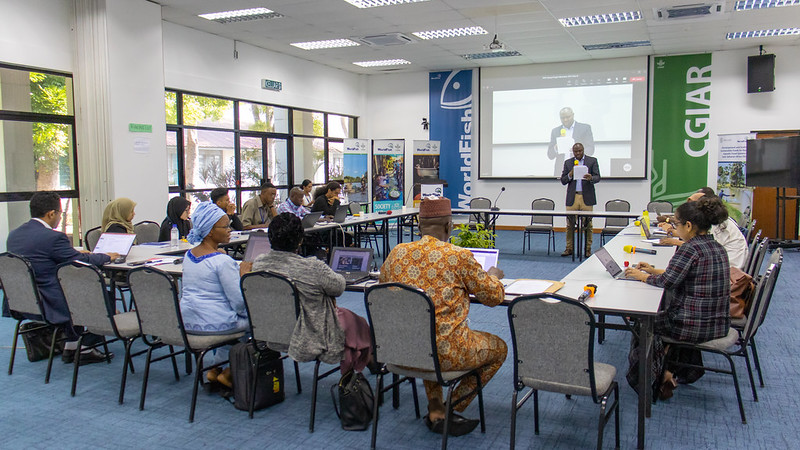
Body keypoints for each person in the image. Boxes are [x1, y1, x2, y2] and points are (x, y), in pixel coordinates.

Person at [379, 197, 507, 436]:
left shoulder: (396, 253)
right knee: (499, 349)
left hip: (400, 349)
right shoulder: (458, 256)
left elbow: (382, 290)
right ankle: (451, 408)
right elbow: (493, 297)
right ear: (449, 226)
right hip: (445, 353)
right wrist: (494, 276)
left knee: (426, 331)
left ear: (418, 226)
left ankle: (436, 408)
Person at [624, 196, 731, 400]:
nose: (674, 227)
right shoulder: (716, 247)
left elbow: (667, 282)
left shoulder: (690, 248)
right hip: (718, 323)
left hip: (693, 325)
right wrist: (653, 270)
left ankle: (655, 377)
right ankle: (682, 369)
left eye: (676, 224)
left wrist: (643, 276)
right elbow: (680, 275)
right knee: (662, 313)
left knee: (643, 322)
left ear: (689, 226)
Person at [5, 191, 118, 364]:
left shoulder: (14, 235)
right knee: (104, 296)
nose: (60, 217)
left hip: (24, 300)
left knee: (78, 289)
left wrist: (73, 253)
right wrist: (106, 256)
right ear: (51, 213)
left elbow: (44, 256)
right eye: (60, 213)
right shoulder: (53, 237)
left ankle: (71, 347)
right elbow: (81, 261)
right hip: (51, 301)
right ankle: (85, 347)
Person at [251, 213, 372, 374]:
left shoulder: (259, 263)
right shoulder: (312, 267)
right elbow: (339, 287)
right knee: (356, 321)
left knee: (345, 318)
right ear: (301, 240)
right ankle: (365, 361)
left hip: (273, 333)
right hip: (310, 336)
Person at [181, 201, 251, 388]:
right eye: (225, 226)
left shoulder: (188, 256)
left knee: (230, 316)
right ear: (210, 231)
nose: (230, 230)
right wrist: (243, 276)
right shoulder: (222, 262)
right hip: (213, 325)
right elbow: (239, 304)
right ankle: (228, 371)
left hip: (186, 322)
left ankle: (215, 369)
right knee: (255, 320)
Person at [658, 188, 747, 268]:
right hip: (724, 264)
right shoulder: (715, 218)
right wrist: (673, 232)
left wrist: (675, 241)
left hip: (730, 269)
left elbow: (704, 250)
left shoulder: (718, 225)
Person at [560, 142, 600, 258]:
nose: (578, 153)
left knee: (588, 225)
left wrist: (591, 178)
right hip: (573, 198)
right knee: (570, 225)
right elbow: (563, 180)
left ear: (583, 150)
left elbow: (598, 177)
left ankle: (587, 249)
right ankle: (569, 248)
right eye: (576, 151)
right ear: (573, 152)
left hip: (586, 197)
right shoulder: (568, 163)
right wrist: (570, 174)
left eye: (580, 151)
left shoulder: (592, 161)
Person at [548, 107, 594, 176]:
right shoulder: (555, 131)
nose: (565, 120)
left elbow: (590, 149)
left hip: (580, 167)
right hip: (561, 171)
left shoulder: (585, 128)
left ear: (573, 115)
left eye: (567, 117)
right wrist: (556, 148)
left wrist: (578, 152)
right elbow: (550, 155)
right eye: (562, 118)